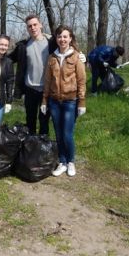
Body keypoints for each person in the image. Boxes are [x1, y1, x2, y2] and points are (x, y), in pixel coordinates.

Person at [41, 25, 86, 177]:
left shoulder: (76, 57)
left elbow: (81, 81)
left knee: (67, 134)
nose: (62, 39)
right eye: (59, 37)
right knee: (58, 133)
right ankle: (62, 162)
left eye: (65, 36)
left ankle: (71, 161)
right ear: (56, 39)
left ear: (70, 38)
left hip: (70, 102)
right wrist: (44, 100)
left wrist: (82, 102)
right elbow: (47, 81)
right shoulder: (52, 57)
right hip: (54, 102)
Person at [8, 15, 58, 135]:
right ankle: (31, 144)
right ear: (27, 28)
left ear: (40, 25)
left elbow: (66, 48)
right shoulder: (23, 46)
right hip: (30, 89)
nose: (33, 28)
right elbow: (8, 59)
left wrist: (79, 56)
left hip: (46, 90)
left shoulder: (51, 43)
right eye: (29, 26)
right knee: (30, 120)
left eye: (35, 24)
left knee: (44, 120)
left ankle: (43, 143)